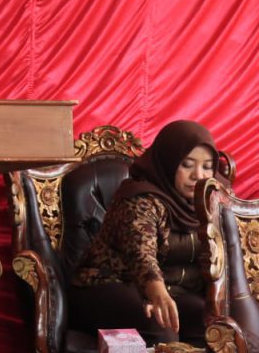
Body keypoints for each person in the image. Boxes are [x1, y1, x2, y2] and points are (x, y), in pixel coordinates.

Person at [69, 120, 221, 347]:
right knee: (160, 327)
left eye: (207, 167)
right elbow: (141, 255)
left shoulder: (211, 202)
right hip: (108, 286)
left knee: (210, 325)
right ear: (168, 163)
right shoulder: (139, 199)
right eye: (187, 165)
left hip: (170, 291)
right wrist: (156, 295)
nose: (198, 175)